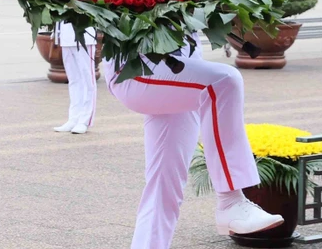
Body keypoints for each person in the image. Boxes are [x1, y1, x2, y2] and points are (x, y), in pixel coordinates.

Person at [106, 35, 283, 248]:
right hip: (135, 68)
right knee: (225, 80)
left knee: (165, 184)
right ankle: (230, 201)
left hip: (184, 69)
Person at [53, 22, 98, 135]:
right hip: (65, 37)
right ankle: (73, 118)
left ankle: (84, 120)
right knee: (74, 80)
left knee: (88, 79)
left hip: (85, 37)